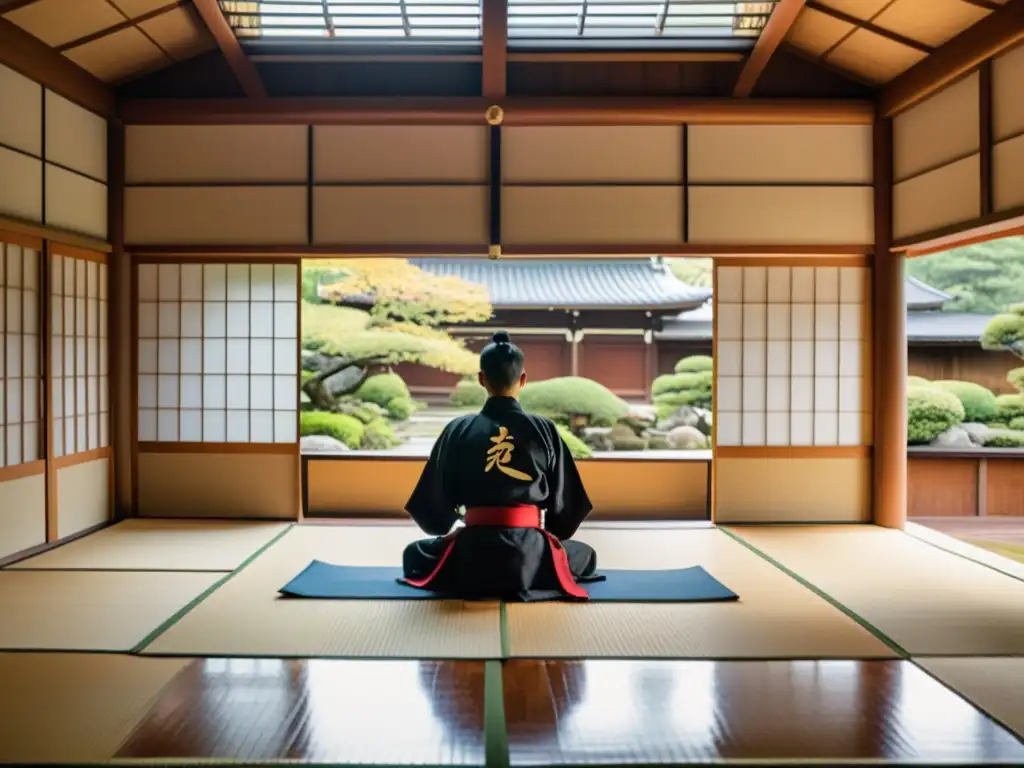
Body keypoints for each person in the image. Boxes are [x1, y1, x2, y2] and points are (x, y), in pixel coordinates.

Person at [401, 330, 601, 601]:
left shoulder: (458, 429)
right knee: (583, 554)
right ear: (523, 380)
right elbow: (566, 508)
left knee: (414, 554)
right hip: (530, 554)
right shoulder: (544, 429)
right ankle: (534, 572)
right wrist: (546, 535)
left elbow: (434, 513)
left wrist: (454, 518)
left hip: (469, 552)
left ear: (481, 379)